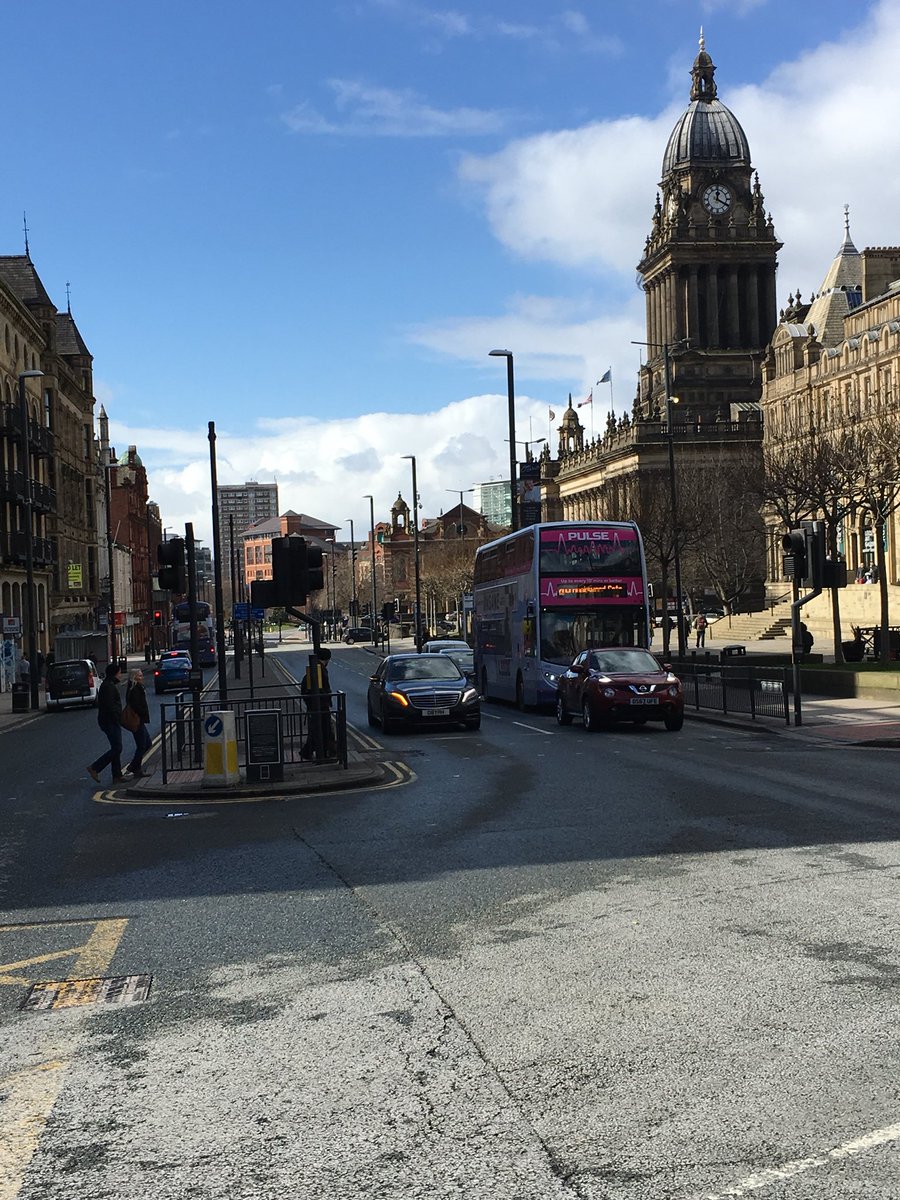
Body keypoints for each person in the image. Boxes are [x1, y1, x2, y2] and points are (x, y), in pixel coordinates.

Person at [87, 662, 130, 784]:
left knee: (116, 748)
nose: (121, 675)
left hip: (110, 721)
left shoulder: (109, 684)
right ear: (114, 674)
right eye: (119, 673)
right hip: (110, 722)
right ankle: (95, 767)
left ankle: (117, 776)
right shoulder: (108, 687)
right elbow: (111, 707)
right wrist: (118, 718)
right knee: (117, 748)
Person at [300, 647, 335, 760]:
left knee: (318, 730)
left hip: (316, 704)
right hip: (320, 705)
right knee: (323, 730)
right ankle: (323, 754)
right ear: (327, 659)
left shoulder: (314, 667)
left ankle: (309, 752)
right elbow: (322, 688)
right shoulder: (320, 669)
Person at [124, 667, 152, 778]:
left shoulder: (137, 687)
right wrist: (143, 713)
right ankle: (135, 768)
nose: (142, 677)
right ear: (134, 677)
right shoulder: (135, 689)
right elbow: (136, 705)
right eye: (139, 675)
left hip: (140, 720)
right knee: (142, 745)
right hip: (137, 720)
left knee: (147, 743)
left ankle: (134, 767)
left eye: (141, 675)